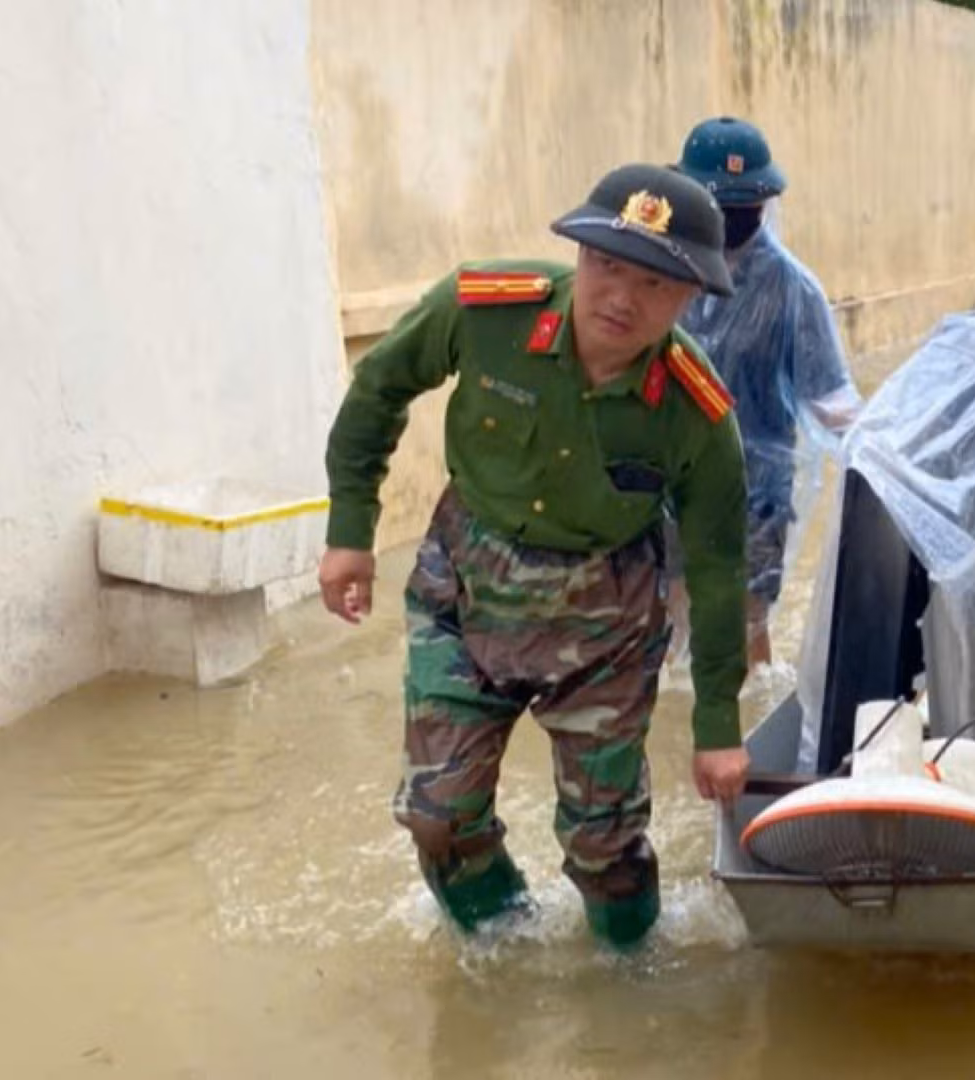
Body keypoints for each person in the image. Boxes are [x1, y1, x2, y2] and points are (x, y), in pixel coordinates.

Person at [317, 164, 753, 950]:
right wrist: (351, 530)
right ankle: (501, 944)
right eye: (607, 263)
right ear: (580, 254)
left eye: (654, 283)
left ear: (692, 296)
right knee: (438, 815)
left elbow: (719, 568)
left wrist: (717, 723)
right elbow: (379, 387)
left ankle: (627, 970)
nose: (620, 297)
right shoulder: (485, 310)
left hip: (607, 625)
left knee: (604, 842)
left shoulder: (696, 413)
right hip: (465, 590)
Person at [673, 117, 862, 668]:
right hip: (667, 479)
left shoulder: (792, 287)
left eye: (746, 205)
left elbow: (832, 401)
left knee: (745, 623)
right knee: (665, 614)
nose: (734, 219)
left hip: (756, 493)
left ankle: (747, 713)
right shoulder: (663, 272)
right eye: (721, 206)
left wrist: (888, 448)